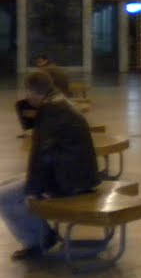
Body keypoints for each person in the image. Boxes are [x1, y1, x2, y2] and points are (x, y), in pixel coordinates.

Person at [0, 71, 100, 261]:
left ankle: (39, 241)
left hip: (70, 181)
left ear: (32, 92)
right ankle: (43, 234)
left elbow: (42, 156)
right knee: (8, 185)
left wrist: (35, 189)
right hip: (76, 173)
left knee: (4, 197)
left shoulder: (50, 111)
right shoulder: (59, 102)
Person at [15, 54, 71, 131]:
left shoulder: (45, 70)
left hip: (54, 95)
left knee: (22, 105)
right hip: (62, 94)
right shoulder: (54, 67)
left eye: (39, 62)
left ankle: (32, 131)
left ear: (45, 61)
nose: (38, 64)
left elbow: (40, 84)